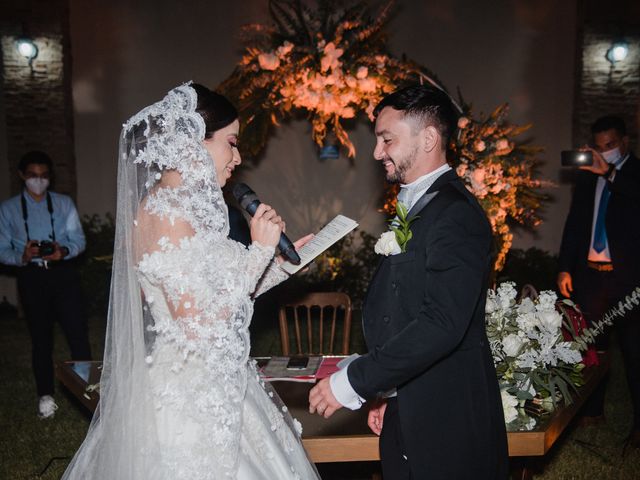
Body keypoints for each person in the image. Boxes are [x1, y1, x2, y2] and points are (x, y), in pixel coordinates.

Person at [61, 83, 319, 480]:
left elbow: (225, 293)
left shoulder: (185, 209)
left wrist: (280, 264)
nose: (238, 157)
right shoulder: (166, 214)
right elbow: (197, 326)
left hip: (220, 378)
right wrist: (259, 253)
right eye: (231, 143)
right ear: (193, 141)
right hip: (190, 392)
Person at [309, 85, 508, 479]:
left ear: (429, 138)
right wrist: (388, 390)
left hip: (445, 417)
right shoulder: (420, 204)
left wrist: (356, 382)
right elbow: (406, 305)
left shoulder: (457, 214)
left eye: (387, 140)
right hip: (409, 398)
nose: (377, 152)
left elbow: (441, 323)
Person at [557, 115, 640, 446]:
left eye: (611, 146)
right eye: (599, 147)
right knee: (590, 349)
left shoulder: (634, 172)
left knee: (635, 353)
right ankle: (591, 412)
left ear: (624, 143)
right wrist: (564, 267)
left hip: (630, 280)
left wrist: (610, 173)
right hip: (591, 277)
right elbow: (574, 223)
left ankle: (639, 424)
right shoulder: (588, 178)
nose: (604, 154)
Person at [0, 151, 91, 419]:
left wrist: (63, 251)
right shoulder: (8, 209)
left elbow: (79, 240)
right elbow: (2, 248)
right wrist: (23, 256)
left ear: (50, 177)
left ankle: (87, 391)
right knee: (41, 339)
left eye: (43, 176)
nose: (37, 181)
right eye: (32, 176)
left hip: (63, 274)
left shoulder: (63, 204)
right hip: (32, 276)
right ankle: (45, 397)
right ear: (21, 176)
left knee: (78, 334)